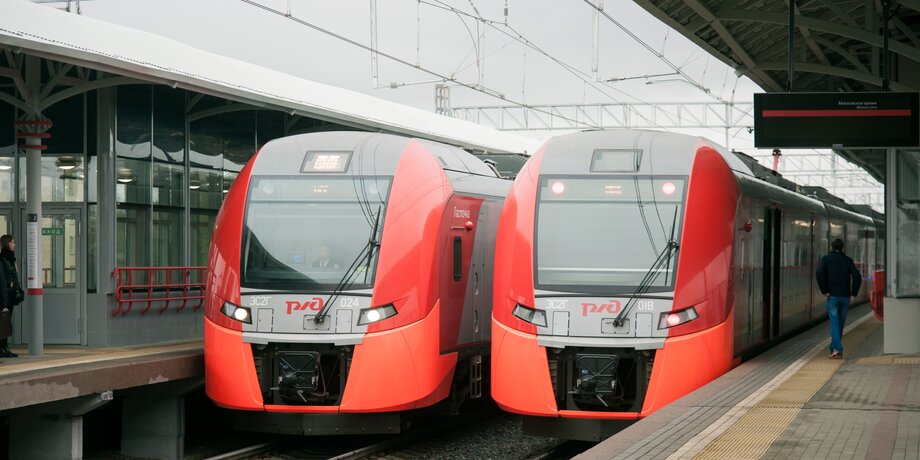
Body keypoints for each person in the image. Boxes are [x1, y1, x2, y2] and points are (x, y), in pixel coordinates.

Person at [815, 238, 861, 359]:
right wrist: (853, 293)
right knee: (840, 323)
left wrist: (824, 291)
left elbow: (819, 273)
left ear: (832, 247)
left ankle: (836, 349)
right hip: (845, 296)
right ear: (842, 247)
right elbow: (857, 276)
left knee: (835, 323)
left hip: (832, 296)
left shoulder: (826, 259)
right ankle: (834, 349)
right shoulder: (847, 260)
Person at [0, 234, 20, 358]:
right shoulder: (3, 259)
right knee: (3, 321)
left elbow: (14, 274)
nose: (14, 244)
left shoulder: (11, 258)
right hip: (4, 295)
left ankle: (5, 347)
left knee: (6, 321)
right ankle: (2, 348)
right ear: (7, 243)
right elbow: (4, 279)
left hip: (10, 295)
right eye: (12, 242)